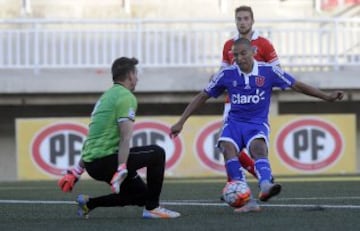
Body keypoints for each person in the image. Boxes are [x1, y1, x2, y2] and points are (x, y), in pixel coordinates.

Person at [170, 38, 343, 210]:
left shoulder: (269, 71)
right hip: (234, 123)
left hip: (256, 123)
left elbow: (297, 85)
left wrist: (326, 96)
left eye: (243, 53)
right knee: (227, 147)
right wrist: (181, 121)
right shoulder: (226, 74)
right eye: (235, 55)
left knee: (258, 148)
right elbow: (203, 96)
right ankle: (243, 192)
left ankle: (266, 185)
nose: (239, 58)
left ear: (253, 51)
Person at [57, 57, 180, 219]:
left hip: (92, 163)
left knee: (141, 195)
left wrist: (77, 170)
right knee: (157, 153)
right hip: (108, 161)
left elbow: (94, 136)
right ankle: (153, 209)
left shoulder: (105, 97)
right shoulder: (126, 97)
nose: (137, 78)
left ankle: (89, 204)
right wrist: (121, 167)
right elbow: (125, 137)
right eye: (136, 74)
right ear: (130, 75)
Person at [218, 5, 281, 212]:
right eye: (239, 19)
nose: (242, 22)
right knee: (226, 145)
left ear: (252, 21)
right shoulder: (229, 45)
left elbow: (277, 70)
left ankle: (246, 188)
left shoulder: (264, 44)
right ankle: (246, 186)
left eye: (245, 18)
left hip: (255, 104)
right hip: (232, 103)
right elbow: (224, 70)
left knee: (245, 147)